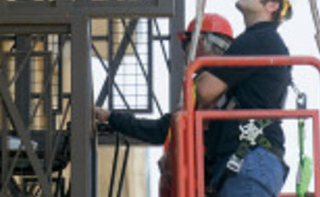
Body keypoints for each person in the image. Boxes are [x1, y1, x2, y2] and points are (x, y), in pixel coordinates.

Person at [195, 0, 296, 197]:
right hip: (242, 162)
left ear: (273, 4)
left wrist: (202, 75)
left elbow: (204, 90)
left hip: (248, 160)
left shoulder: (260, 40)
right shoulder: (256, 41)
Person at [94, 13, 234, 145]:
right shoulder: (231, 79)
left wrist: (111, 117)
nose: (184, 52)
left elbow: (160, 130)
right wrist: (112, 118)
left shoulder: (206, 86)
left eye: (185, 43)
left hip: (208, 166)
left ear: (200, 41)